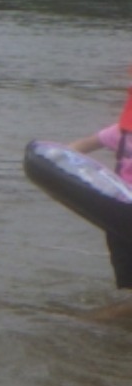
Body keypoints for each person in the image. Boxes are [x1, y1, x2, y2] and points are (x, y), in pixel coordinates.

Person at [67, 94, 132, 290]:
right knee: (125, 278)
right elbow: (79, 147)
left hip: (122, 214)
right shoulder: (120, 133)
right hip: (119, 216)